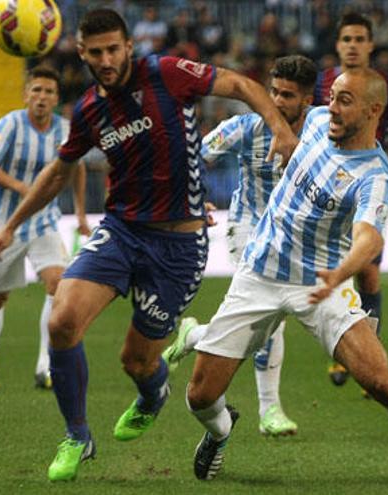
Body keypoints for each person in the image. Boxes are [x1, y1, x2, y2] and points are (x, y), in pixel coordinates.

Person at [0, 8, 297, 482]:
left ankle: (153, 395)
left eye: (114, 49)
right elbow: (59, 171)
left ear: (129, 46)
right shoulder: (90, 109)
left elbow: (240, 85)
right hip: (121, 231)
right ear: (83, 54)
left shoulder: (167, 73)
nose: (106, 59)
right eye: (96, 52)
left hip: (178, 247)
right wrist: (11, 226)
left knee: (137, 360)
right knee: (63, 320)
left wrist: (277, 125)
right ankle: (77, 436)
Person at [184, 68, 388, 484]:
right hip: (259, 274)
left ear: (374, 110)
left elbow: (368, 239)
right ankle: (220, 431)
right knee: (200, 397)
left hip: (321, 284)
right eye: (333, 96)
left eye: (345, 100)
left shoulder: (375, 177)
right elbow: (264, 102)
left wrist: (339, 273)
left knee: (380, 382)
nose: (332, 108)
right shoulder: (318, 121)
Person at [162, 55, 319, 438]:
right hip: (248, 228)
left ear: (308, 99)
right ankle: (270, 411)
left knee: (261, 325)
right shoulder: (245, 127)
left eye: (288, 95)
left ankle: (196, 336)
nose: (278, 102)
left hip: (294, 237)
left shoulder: (321, 130)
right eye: (274, 92)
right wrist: (194, 198)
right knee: (274, 317)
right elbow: (190, 156)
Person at [313, 12, 388, 386]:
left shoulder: (387, 85)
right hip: (326, 188)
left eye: (360, 39)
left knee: (369, 272)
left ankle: (369, 357)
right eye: (347, 39)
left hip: (366, 185)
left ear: (371, 45)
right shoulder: (324, 83)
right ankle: (345, 354)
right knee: (333, 271)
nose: (353, 46)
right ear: (338, 45)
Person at [0, 65, 89, 393]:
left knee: (57, 285)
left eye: (49, 92)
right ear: (26, 94)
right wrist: (24, 188)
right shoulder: (10, 124)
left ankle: (45, 367)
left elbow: (78, 167)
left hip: (45, 222)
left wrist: (80, 215)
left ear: (56, 99)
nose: (41, 97)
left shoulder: (65, 129)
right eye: (36, 90)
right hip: (5, 227)